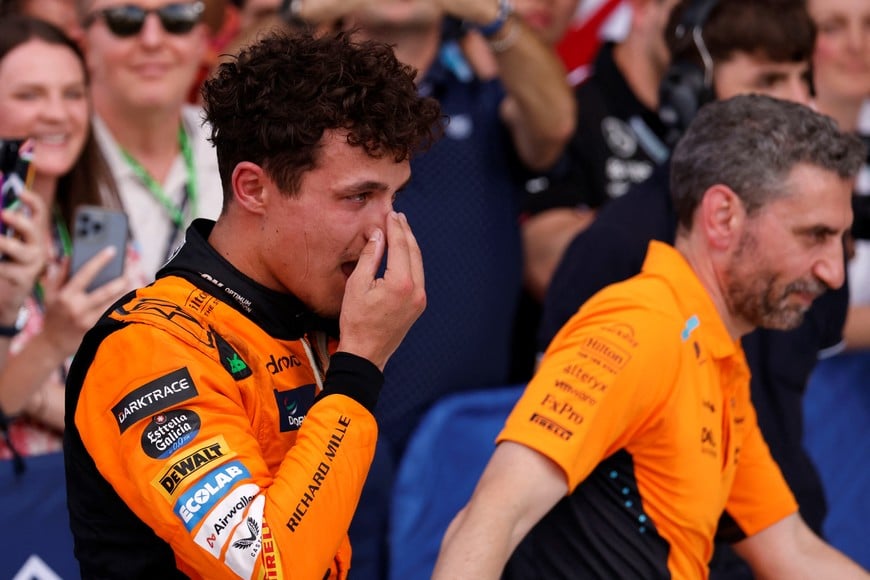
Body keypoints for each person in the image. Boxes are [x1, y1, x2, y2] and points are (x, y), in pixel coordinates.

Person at [433, 94, 869, 579]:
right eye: (815, 235)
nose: (834, 272)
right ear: (723, 217)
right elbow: (489, 519)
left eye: (841, 240)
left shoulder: (713, 351)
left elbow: (792, 550)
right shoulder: (640, 328)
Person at [63, 29, 441, 578]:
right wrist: (358, 370)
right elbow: (272, 567)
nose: (385, 230)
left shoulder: (307, 314)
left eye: (394, 196)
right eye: (358, 197)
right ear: (253, 189)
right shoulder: (151, 350)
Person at [294, 2, 574, 576]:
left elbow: (555, 124)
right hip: (323, 426)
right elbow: (225, 95)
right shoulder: (300, 92)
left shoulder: (480, 92)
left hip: (466, 444)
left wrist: (491, 15)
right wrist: (302, 11)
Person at [0, 16, 133, 462]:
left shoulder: (100, 228)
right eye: (29, 95)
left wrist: (33, 396)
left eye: (73, 93)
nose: (58, 113)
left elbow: (140, 397)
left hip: (90, 506)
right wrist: (53, 342)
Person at [520, 0, 679, 300]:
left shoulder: (722, 115)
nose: (705, 29)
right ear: (644, 8)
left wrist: (600, 223)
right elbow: (549, 266)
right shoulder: (570, 109)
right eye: (690, 9)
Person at [77, 0, 224, 279]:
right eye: (125, 20)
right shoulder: (48, 159)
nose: (152, 40)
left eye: (176, 18)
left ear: (201, 41)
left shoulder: (242, 147)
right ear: (83, 45)